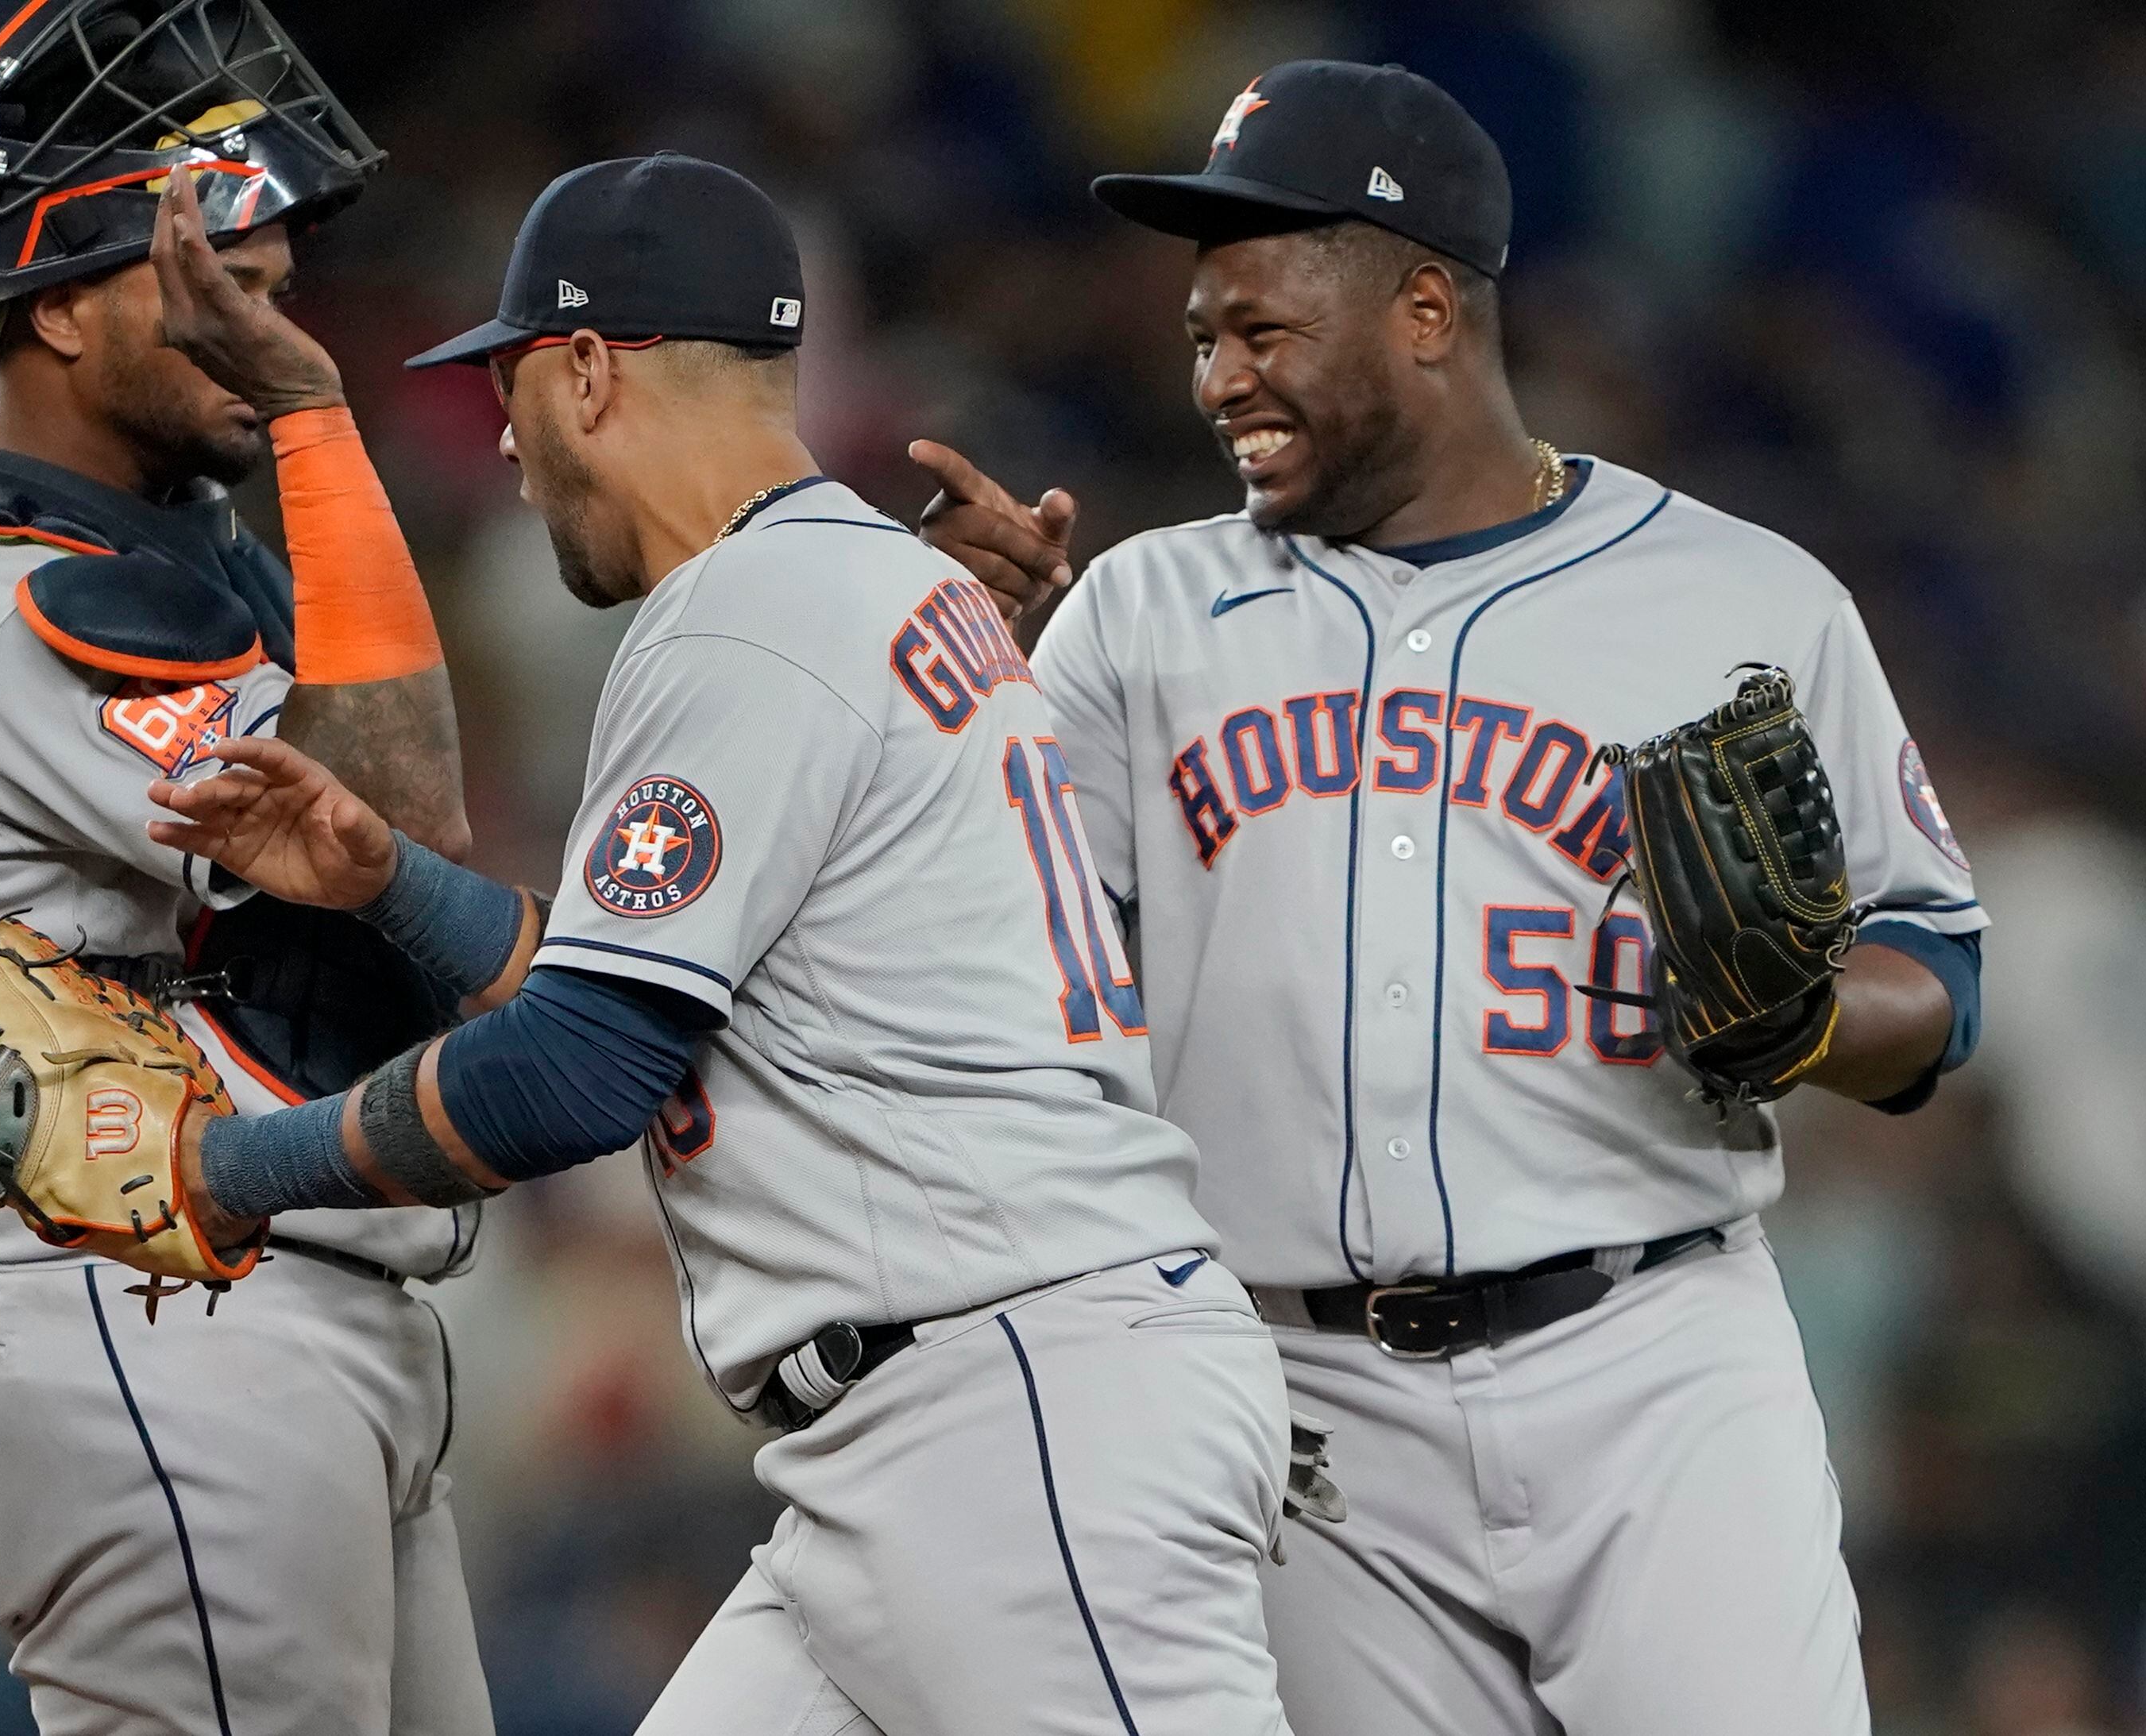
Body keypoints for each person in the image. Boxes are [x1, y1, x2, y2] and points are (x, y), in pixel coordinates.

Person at [141, 152, 1301, 1736]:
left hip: (1019, 1420)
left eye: (512, 386)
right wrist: (386, 882)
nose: (505, 439)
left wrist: (227, 1169)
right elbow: (675, 1011)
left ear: (589, 368)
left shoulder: (744, 615)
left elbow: (575, 1072)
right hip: (942, 1428)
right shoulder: (880, 589)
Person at [914, 59, 1986, 1736]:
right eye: (1202, 336)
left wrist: (1806, 1019)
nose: (1216, 379)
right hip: (1308, 1397)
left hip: (1652, 1362)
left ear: (1424, 309)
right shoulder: (1138, 613)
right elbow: (981, 944)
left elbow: (1935, 974)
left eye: (1259, 329)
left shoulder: (1735, 595)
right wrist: (977, 692)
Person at [0, 3, 492, 1729]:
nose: (262, 329)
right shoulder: (22, 596)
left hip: (239, 1303)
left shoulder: (121, 543)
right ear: (55, 302)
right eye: (215, 290)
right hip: (141, 1307)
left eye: (264, 286)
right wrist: (322, 420)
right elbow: (400, 816)